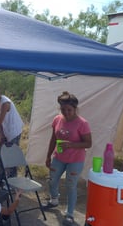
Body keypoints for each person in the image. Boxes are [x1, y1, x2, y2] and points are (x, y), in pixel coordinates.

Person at [44, 91, 92, 226]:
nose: (66, 112)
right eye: (63, 109)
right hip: (59, 157)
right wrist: (48, 156)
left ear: (75, 108)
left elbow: (88, 143)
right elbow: (53, 138)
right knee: (52, 180)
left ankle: (69, 214)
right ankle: (54, 200)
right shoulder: (57, 119)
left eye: (69, 110)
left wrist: (71, 145)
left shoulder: (82, 123)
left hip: (76, 160)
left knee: (71, 185)